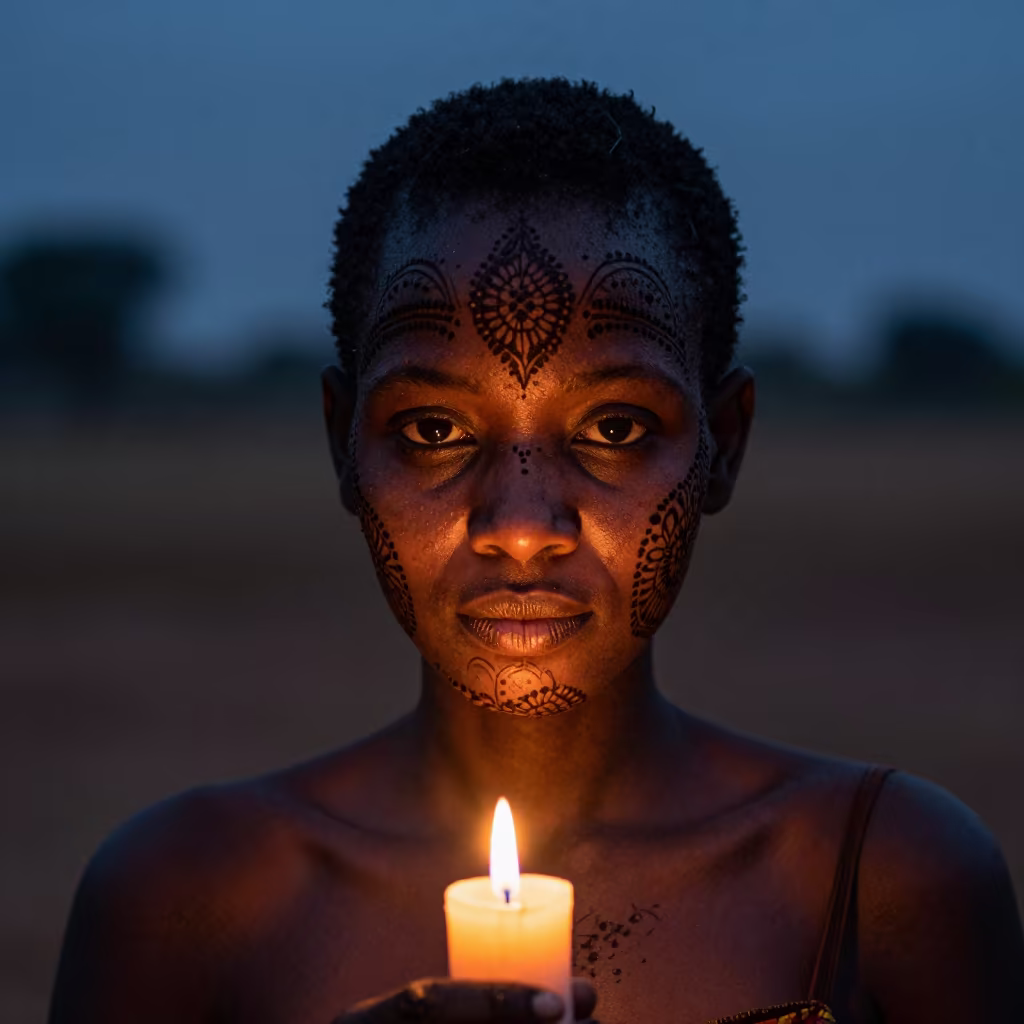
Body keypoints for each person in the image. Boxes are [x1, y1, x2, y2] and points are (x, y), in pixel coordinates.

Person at [49, 78, 1024, 1024]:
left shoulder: (885, 877)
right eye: (433, 430)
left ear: (723, 443)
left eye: (615, 428)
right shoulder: (185, 900)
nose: (519, 524)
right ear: (343, 441)